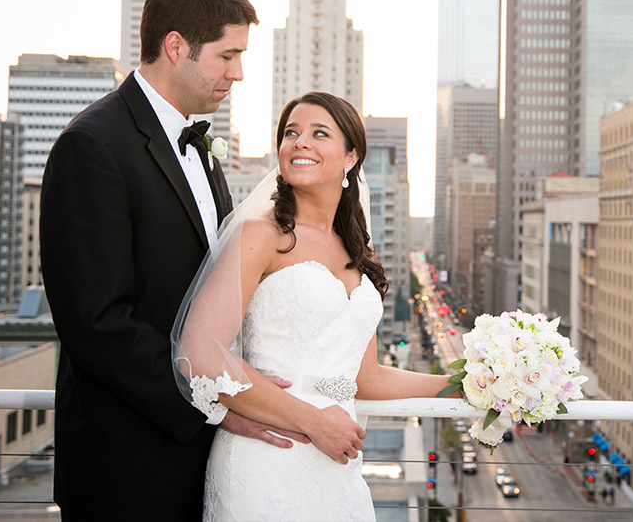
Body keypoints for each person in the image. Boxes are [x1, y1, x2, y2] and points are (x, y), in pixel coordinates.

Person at [40, 0, 304, 521]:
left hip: (204, 464)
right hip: (128, 470)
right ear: (176, 46)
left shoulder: (200, 149)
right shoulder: (91, 146)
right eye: (227, 55)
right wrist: (212, 405)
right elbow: (96, 325)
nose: (238, 73)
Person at [172, 92, 456, 521]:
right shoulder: (261, 235)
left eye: (318, 133)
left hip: (338, 468)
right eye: (291, 133)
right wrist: (311, 420)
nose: (299, 142)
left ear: (351, 156)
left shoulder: (357, 252)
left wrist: (466, 383)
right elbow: (199, 351)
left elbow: (366, 379)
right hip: (267, 456)